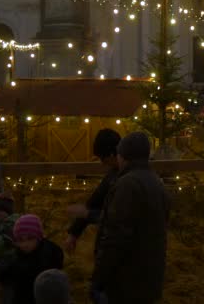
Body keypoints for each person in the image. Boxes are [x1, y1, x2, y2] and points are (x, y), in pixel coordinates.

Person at [92, 132, 170, 304]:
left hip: (127, 278)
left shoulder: (127, 185)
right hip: (150, 274)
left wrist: (99, 276)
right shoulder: (156, 181)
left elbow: (116, 237)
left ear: (124, 156)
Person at [65, 129, 122, 254]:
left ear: (112, 154)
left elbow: (118, 219)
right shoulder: (113, 174)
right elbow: (95, 201)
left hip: (123, 251)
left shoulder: (127, 180)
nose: (102, 163)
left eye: (102, 158)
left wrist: (87, 214)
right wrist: (74, 233)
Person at [0, 214, 64, 304]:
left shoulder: (50, 254)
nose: (25, 244)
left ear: (38, 238)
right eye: (20, 240)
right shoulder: (13, 257)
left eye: (30, 238)